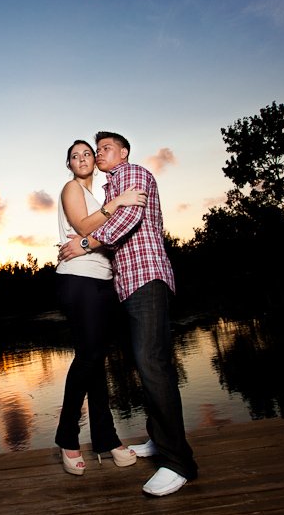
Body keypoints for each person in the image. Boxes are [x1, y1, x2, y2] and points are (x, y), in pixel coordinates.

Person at [58, 131, 199, 496]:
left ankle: (179, 463)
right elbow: (102, 219)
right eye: (92, 150)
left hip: (146, 276)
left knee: (153, 365)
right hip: (125, 282)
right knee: (144, 364)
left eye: (104, 148)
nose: (98, 154)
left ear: (123, 152)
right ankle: (160, 439)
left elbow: (125, 222)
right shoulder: (108, 189)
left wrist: (85, 243)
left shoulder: (133, 173)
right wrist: (104, 212)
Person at [54, 139, 147, 476]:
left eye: (87, 154)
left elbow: (111, 231)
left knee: (95, 360)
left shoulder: (103, 193)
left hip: (103, 279)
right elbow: (83, 226)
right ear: (69, 164)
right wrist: (120, 202)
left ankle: (106, 438)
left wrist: (116, 201)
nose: (81, 159)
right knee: (89, 358)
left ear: (95, 161)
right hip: (78, 280)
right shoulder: (71, 188)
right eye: (74, 156)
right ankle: (67, 436)